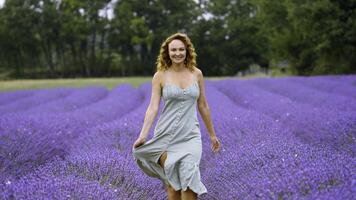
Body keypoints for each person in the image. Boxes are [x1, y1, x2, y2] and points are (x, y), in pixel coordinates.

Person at [132, 32, 221, 200]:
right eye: (174, 50)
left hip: (190, 135)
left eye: (181, 49)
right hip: (166, 136)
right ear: (167, 52)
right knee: (173, 185)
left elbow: (203, 105)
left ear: (187, 51)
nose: (178, 53)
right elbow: (152, 107)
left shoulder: (197, 74)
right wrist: (142, 136)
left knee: (189, 179)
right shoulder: (160, 76)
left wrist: (212, 135)